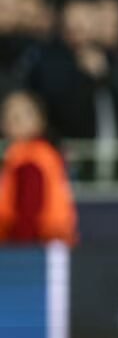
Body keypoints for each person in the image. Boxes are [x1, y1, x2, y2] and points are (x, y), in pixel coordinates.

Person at [0, 90, 77, 246]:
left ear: (40, 120)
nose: (13, 121)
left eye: (20, 116)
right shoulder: (25, 155)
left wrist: (20, 252)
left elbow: (28, 213)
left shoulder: (32, 158)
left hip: (35, 249)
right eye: (8, 115)